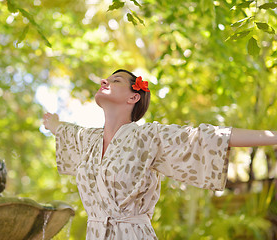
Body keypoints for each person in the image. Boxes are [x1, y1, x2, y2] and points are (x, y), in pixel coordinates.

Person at [43, 69, 277, 240]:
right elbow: (66, 132)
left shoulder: (148, 137)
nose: (105, 81)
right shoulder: (88, 140)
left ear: (133, 97)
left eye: (116, 80)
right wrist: (53, 124)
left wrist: (272, 136)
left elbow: (206, 137)